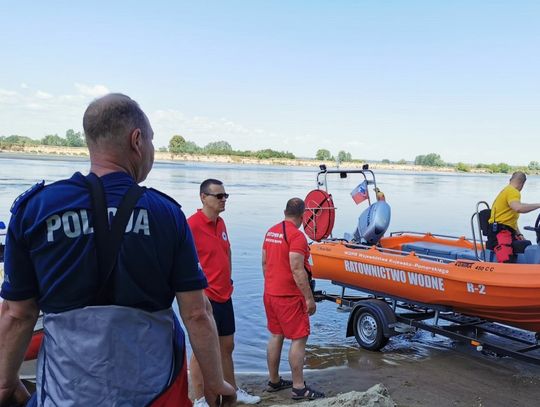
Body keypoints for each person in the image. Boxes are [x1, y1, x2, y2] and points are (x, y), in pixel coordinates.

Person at [0, 94, 235, 407]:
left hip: (65, 393)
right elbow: (196, 312)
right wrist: (216, 382)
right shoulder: (166, 214)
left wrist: (5, 382)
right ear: (136, 140)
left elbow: (17, 314)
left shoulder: (37, 209)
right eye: (151, 140)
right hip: (154, 391)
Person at [188, 179, 260, 406]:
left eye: (225, 196)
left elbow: (226, 252)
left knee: (227, 346)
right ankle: (198, 399)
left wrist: (228, 278)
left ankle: (233, 391)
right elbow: (181, 262)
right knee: (201, 350)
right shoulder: (191, 225)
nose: (223, 200)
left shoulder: (221, 224)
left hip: (224, 293)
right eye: (219, 196)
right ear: (203, 197)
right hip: (205, 296)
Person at [261, 198, 324, 401]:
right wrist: (309, 299)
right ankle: (299, 387)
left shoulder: (271, 231)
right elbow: (297, 269)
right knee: (299, 338)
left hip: (270, 293)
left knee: (276, 335)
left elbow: (264, 262)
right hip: (289, 297)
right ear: (303, 215)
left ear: (285, 211)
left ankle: (274, 381)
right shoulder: (297, 236)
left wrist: (272, 284)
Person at [487, 171, 540, 263]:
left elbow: (510, 221)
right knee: (506, 259)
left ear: (510, 180)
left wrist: (519, 234)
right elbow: (518, 208)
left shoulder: (506, 190)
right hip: (500, 233)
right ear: (522, 183)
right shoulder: (513, 192)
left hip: (503, 231)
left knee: (526, 244)